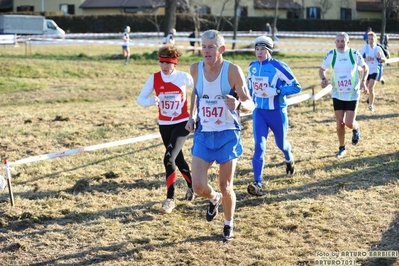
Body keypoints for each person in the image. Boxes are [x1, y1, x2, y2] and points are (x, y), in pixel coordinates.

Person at [185, 29, 254, 241]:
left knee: (226, 186)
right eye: (203, 46)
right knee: (197, 186)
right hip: (204, 134)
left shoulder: (232, 71)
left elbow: (250, 104)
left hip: (227, 135)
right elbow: (195, 94)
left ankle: (228, 224)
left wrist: (240, 104)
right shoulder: (195, 68)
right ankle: (213, 198)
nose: (206, 51)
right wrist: (191, 116)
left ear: (221, 49)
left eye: (210, 47)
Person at [137, 45, 194, 214]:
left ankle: (170, 199)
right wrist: (152, 101)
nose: (164, 67)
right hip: (164, 125)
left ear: (174, 63)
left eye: (168, 63)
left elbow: (200, 90)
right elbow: (140, 99)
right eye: (161, 62)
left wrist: (196, 115)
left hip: (182, 123)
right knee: (178, 159)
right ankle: (192, 185)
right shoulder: (154, 78)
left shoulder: (183, 77)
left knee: (168, 158)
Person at [246, 35, 301, 197]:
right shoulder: (252, 67)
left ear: (269, 50)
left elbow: (296, 87)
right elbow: (250, 90)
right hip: (259, 113)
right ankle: (258, 182)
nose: (259, 52)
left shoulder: (278, 66)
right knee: (259, 146)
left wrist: (277, 91)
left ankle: (289, 158)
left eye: (263, 49)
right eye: (257, 49)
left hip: (277, 112)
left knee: (281, 144)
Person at [319, 32, 369, 158]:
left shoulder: (353, 53)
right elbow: (322, 70)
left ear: (348, 42)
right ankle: (342, 148)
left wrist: (363, 81)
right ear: (335, 43)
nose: (340, 44)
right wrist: (323, 79)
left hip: (352, 93)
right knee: (340, 122)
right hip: (338, 93)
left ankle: (356, 128)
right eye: (338, 41)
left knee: (348, 122)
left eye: (343, 41)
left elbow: (365, 67)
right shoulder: (331, 54)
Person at [359, 31, 386, 111]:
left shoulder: (378, 48)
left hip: (375, 70)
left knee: (370, 87)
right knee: (367, 87)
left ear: (375, 40)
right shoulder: (365, 47)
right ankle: (369, 98)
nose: (370, 41)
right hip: (366, 70)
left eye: (372, 39)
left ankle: (371, 105)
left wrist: (380, 58)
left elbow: (384, 60)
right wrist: (365, 59)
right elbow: (358, 56)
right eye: (369, 39)